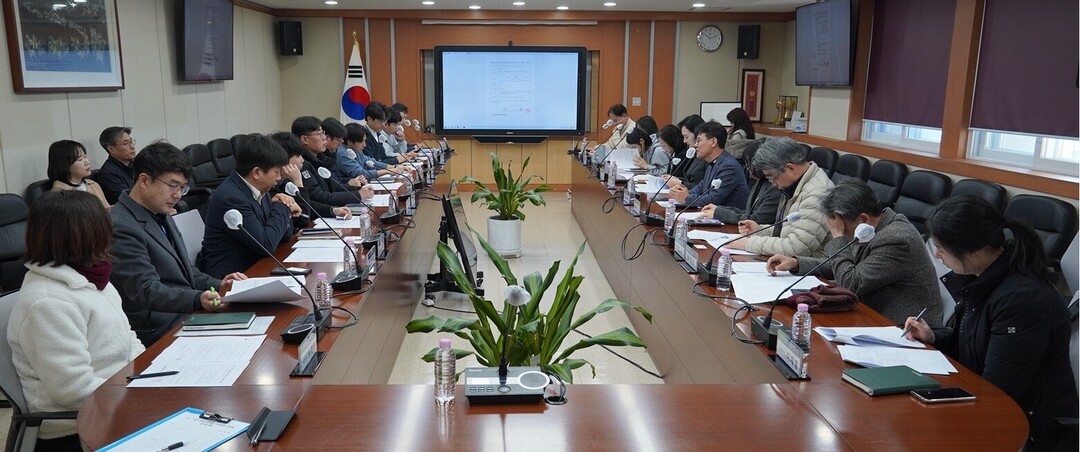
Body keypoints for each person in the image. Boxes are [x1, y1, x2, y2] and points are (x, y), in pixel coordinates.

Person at [903, 196, 1078, 450]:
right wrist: (934, 337)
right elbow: (977, 346)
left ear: (973, 250)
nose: (937, 256)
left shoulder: (1021, 299)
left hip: (1030, 432)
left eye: (941, 248)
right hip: (991, 408)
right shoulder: (982, 278)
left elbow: (997, 391)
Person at [8, 190, 144, 451]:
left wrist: (147, 377)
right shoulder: (47, 302)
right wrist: (137, 399)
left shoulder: (94, 279)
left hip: (115, 401)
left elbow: (129, 337)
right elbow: (73, 390)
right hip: (77, 426)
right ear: (82, 237)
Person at [111, 141, 248, 345]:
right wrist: (197, 299)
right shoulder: (120, 225)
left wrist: (219, 285)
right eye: (172, 186)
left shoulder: (159, 211)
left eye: (182, 188)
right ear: (144, 180)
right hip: (159, 328)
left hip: (184, 314)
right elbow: (146, 289)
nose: (177, 195)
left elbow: (186, 271)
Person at [765, 180, 942, 326]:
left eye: (842, 227)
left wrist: (838, 236)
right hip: (873, 315)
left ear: (863, 219)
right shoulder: (873, 228)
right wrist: (797, 263)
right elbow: (846, 264)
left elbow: (850, 283)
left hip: (906, 329)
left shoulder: (896, 239)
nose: (839, 232)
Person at [200, 134, 301, 279]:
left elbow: (283, 237)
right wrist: (282, 207)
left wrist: (284, 207)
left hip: (256, 266)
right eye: (276, 172)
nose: (279, 178)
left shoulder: (259, 188)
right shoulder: (231, 198)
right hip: (231, 279)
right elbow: (266, 246)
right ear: (257, 172)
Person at [726, 137, 833, 257]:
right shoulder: (796, 184)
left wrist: (750, 244)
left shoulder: (817, 194)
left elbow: (797, 247)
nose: (772, 183)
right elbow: (788, 229)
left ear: (791, 168)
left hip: (814, 265)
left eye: (772, 177)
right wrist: (760, 231)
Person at [271, 131, 354, 224]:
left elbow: (309, 204)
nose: (302, 159)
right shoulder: (273, 188)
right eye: (298, 156)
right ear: (284, 159)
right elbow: (303, 218)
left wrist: (332, 210)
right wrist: (298, 183)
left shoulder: (286, 181)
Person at [291, 116, 371, 207]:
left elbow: (333, 185)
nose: (324, 138)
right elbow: (320, 197)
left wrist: (357, 186)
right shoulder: (302, 164)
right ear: (305, 139)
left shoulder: (320, 159)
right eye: (320, 134)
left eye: (323, 133)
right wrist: (358, 195)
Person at [668, 121, 748, 209]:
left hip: (725, 217)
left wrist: (686, 198)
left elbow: (713, 199)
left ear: (713, 142)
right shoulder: (713, 163)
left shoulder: (728, 167)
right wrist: (680, 192)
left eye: (698, 141)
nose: (695, 145)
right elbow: (700, 188)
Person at [699, 142, 781, 225]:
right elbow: (747, 212)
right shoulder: (761, 182)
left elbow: (755, 220)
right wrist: (718, 209)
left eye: (748, 163)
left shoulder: (774, 187)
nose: (747, 168)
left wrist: (719, 213)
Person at [47, 140, 109, 209]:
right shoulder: (59, 194)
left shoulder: (93, 184)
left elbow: (107, 209)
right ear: (64, 165)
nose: (87, 162)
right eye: (79, 159)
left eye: (85, 157)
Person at [96, 126, 137, 204]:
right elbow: (128, 200)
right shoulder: (109, 173)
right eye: (126, 143)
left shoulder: (138, 164)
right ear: (112, 149)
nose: (132, 146)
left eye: (131, 141)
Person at [666, 114, 707, 190]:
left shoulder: (707, 157)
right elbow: (689, 179)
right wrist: (675, 179)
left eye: (686, 137)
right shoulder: (694, 155)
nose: (684, 141)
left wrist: (680, 183)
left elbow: (703, 187)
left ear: (697, 135)